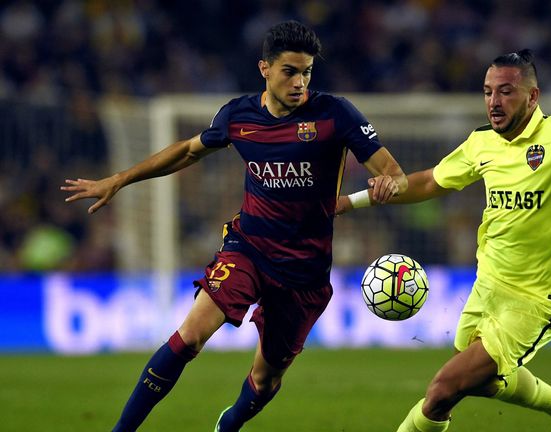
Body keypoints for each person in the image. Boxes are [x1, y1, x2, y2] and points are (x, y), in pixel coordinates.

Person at [61, 20, 407, 432]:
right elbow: (188, 152)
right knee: (189, 335)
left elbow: (393, 171)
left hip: (304, 272)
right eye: (290, 71)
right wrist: (120, 179)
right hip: (249, 249)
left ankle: (229, 424)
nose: (300, 82)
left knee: (266, 379)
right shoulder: (238, 115)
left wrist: (387, 183)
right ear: (265, 68)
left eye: (307, 72)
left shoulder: (335, 114)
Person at [338, 49, 551, 432]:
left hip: (536, 298)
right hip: (488, 285)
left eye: (506, 92)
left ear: (533, 97)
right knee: (479, 380)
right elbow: (432, 180)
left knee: (442, 391)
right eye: (487, 92)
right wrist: (352, 202)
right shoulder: (482, 143)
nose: (494, 103)